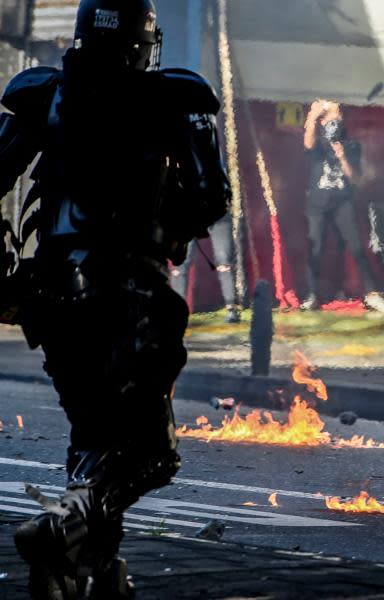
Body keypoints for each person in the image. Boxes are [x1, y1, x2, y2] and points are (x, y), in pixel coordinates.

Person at [0, 0, 231, 596]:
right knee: (151, 452)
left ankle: (92, 568)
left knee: (95, 436)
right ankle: (65, 529)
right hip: (130, 294)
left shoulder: (44, 93)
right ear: (140, 42)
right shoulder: (173, 97)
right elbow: (211, 197)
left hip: (52, 297)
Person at [302, 100, 384, 313]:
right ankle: (311, 295)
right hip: (318, 203)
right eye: (331, 115)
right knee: (315, 248)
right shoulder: (318, 143)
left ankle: (372, 294)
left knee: (356, 247)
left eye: (338, 114)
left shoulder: (351, 145)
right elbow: (307, 144)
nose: (336, 119)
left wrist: (343, 157)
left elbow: (355, 179)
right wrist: (313, 116)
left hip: (343, 202)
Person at [169, 214, 240, 323]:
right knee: (179, 266)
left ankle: (232, 310)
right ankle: (175, 313)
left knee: (224, 264)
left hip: (217, 214)